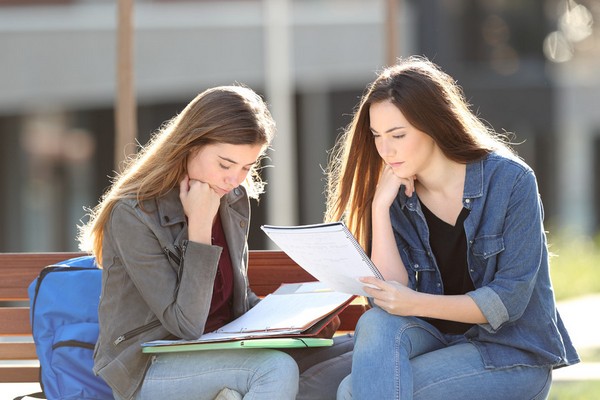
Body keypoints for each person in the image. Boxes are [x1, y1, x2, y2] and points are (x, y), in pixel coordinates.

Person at [325, 57, 580, 400]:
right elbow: (389, 297)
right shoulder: (396, 195)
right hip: (437, 342)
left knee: (353, 391)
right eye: (377, 137)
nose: (385, 150)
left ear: (434, 125)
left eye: (398, 135)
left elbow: (508, 301)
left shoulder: (510, 182)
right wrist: (379, 208)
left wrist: (416, 303)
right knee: (374, 324)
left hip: (510, 354)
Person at [79, 85, 352, 400]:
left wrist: (298, 324)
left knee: (356, 350)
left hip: (225, 348)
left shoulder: (231, 198)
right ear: (190, 146)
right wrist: (199, 226)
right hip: (148, 366)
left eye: (247, 168)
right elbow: (186, 325)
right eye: (225, 164)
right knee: (275, 370)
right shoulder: (133, 214)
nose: (234, 180)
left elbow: (233, 299)